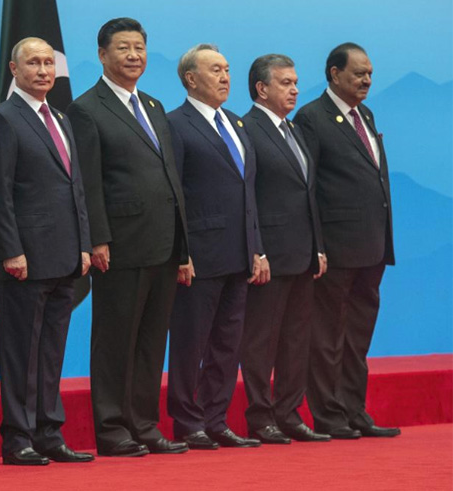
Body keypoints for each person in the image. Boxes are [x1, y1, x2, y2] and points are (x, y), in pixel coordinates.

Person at [66, 18, 189, 457]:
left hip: (163, 242)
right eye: (123, 48)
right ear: (103, 55)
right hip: (119, 244)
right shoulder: (87, 108)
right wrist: (97, 238)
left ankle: (145, 424)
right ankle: (112, 427)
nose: (134, 56)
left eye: (139, 47)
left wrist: (184, 246)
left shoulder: (154, 106)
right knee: (116, 340)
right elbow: (89, 181)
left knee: (152, 341)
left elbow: (171, 179)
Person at [0, 37, 93, 466]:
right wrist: (11, 250)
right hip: (25, 259)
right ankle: (18, 439)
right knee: (21, 354)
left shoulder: (61, 119)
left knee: (50, 353)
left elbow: (75, 189)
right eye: (33, 63)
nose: (44, 70)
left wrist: (84, 244)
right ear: (14, 69)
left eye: (49, 62)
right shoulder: (4, 120)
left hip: (65, 256)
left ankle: (49, 433)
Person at [293, 43, 399, 439]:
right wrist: (316, 245)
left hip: (372, 246)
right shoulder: (312, 117)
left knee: (357, 336)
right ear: (334, 74)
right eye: (358, 73)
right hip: (335, 248)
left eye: (370, 73)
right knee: (327, 336)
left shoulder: (365, 114)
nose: (367, 79)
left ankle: (355, 411)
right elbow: (309, 187)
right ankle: (329, 416)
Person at [166, 44, 268, 450]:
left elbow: (249, 193)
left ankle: (215, 419)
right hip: (199, 256)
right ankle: (187, 422)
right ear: (191, 79)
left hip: (240, 253)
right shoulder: (175, 124)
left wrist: (257, 248)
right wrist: (181, 251)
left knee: (227, 344)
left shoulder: (238, 125)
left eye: (227, 69)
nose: (226, 77)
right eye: (215, 70)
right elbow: (174, 194)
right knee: (191, 344)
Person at [239, 54, 331, 444]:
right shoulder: (246, 128)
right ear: (262, 88)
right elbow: (246, 197)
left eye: (296, 82)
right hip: (269, 256)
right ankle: (261, 416)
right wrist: (255, 250)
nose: (295, 89)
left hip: (304, 252)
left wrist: (319, 247)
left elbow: (309, 195)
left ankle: (289, 412)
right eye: (285, 83)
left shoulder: (294, 130)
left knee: (297, 339)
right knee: (262, 339)